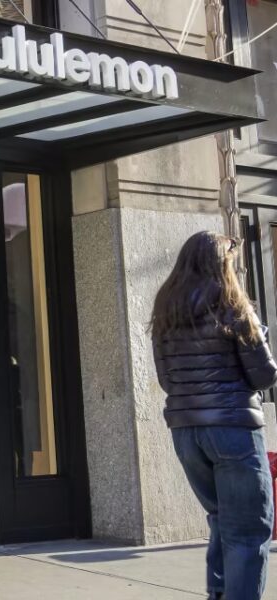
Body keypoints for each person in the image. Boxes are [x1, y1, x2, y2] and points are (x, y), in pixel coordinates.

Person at [151, 231, 277, 600]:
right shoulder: (234, 305)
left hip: (186, 432)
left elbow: (166, 379)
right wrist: (260, 335)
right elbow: (265, 375)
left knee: (223, 520)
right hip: (233, 429)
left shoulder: (166, 311)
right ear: (222, 263)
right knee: (249, 530)